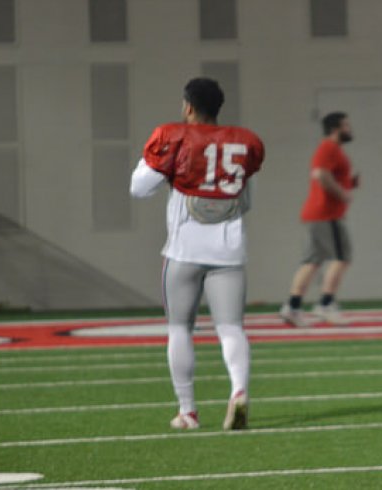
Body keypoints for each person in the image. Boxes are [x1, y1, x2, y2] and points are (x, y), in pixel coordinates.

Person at [130, 77, 264, 430]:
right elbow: (246, 200)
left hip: (185, 248)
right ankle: (238, 390)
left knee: (179, 328)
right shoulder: (243, 143)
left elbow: (139, 188)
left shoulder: (173, 138)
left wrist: (164, 169)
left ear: (187, 106)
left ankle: (188, 411)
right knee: (232, 328)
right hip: (229, 248)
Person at [279, 112, 358, 328]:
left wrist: (349, 183)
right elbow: (321, 174)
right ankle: (326, 303)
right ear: (335, 129)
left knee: (312, 262)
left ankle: (292, 307)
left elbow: (327, 175)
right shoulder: (328, 148)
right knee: (342, 257)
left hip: (316, 214)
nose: (350, 129)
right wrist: (342, 193)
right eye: (346, 126)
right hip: (326, 214)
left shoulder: (331, 150)